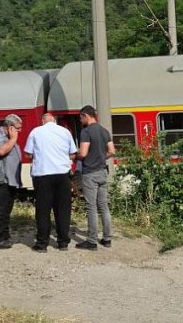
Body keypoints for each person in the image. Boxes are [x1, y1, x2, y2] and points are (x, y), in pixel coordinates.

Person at [24, 113, 77, 252]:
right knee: (63, 209)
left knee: (43, 210)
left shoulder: (35, 132)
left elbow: (28, 153)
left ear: (42, 121)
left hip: (42, 175)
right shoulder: (65, 132)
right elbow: (73, 153)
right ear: (54, 121)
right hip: (62, 175)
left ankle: (42, 244)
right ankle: (63, 243)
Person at [75, 105, 116, 249]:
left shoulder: (86, 132)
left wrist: (74, 156)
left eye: (80, 118)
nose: (80, 121)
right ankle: (107, 238)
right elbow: (112, 151)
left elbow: (83, 153)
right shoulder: (104, 131)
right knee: (103, 206)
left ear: (86, 115)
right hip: (103, 171)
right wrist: (100, 157)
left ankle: (92, 241)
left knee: (91, 207)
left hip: (90, 173)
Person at [0, 114, 23, 249]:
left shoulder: (9, 138)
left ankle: (4, 235)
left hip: (9, 181)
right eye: (18, 128)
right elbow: (1, 151)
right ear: (10, 127)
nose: (20, 131)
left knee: (6, 210)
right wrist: (13, 139)